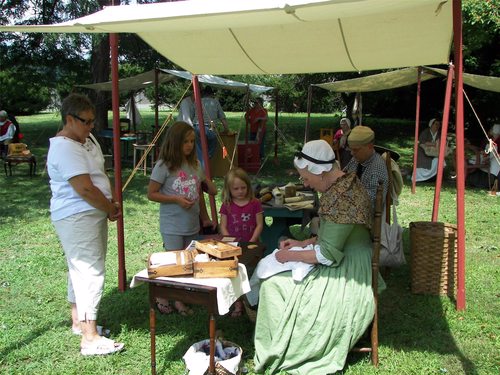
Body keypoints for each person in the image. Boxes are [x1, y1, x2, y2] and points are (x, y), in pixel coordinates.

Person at [253, 139, 380, 374]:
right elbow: (334, 237)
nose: (304, 183)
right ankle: (283, 337)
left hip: (349, 266)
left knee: (273, 284)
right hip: (347, 253)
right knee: (276, 276)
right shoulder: (344, 185)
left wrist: (288, 254)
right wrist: (303, 242)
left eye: (305, 177)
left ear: (320, 173)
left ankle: (289, 345)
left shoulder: (342, 196)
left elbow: (329, 253)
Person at [47, 94, 124, 356]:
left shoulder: (85, 139)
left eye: (93, 121)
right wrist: (109, 207)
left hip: (93, 213)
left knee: (78, 268)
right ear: (69, 119)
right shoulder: (64, 147)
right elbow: (85, 188)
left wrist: (110, 201)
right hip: (77, 216)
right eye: (86, 121)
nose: (91, 126)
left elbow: (99, 176)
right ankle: (90, 338)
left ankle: (79, 323)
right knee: (89, 270)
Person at [147, 121, 218, 315]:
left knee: (188, 260)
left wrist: (205, 217)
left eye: (192, 141)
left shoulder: (195, 164)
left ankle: (180, 295)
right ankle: (169, 298)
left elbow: (201, 193)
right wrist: (176, 199)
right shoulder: (164, 166)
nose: (188, 145)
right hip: (172, 224)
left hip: (192, 223)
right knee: (173, 262)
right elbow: (151, 194)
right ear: (174, 142)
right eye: (185, 141)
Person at [344, 125, 389, 208]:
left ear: (370, 146)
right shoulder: (356, 159)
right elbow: (344, 175)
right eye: (351, 149)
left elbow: (373, 203)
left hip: (364, 216)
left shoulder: (377, 168)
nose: (352, 153)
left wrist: (347, 195)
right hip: (351, 208)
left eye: (356, 150)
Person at [193, 86, 229, 161]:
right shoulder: (215, 102)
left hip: (197, 127)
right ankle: (207, 160)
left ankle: (203, 162)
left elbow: (193, 114)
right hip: (210, 128)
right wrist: (226, 129)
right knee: (211, 149)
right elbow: (222, 118)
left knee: (200, 152)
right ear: (212, 94)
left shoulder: (197, 101)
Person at [413, 118, 445, 182]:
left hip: (434, 153)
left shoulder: (439, 134)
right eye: (436, 124)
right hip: (423, 153)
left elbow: (441, 142)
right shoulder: (425, 132)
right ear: (431, 125)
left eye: (439, 124)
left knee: (440, 160)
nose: (437, 126)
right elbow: (423, 142)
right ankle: (421, 178)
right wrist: (434, 144)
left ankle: (433, 178)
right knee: (424, 161)